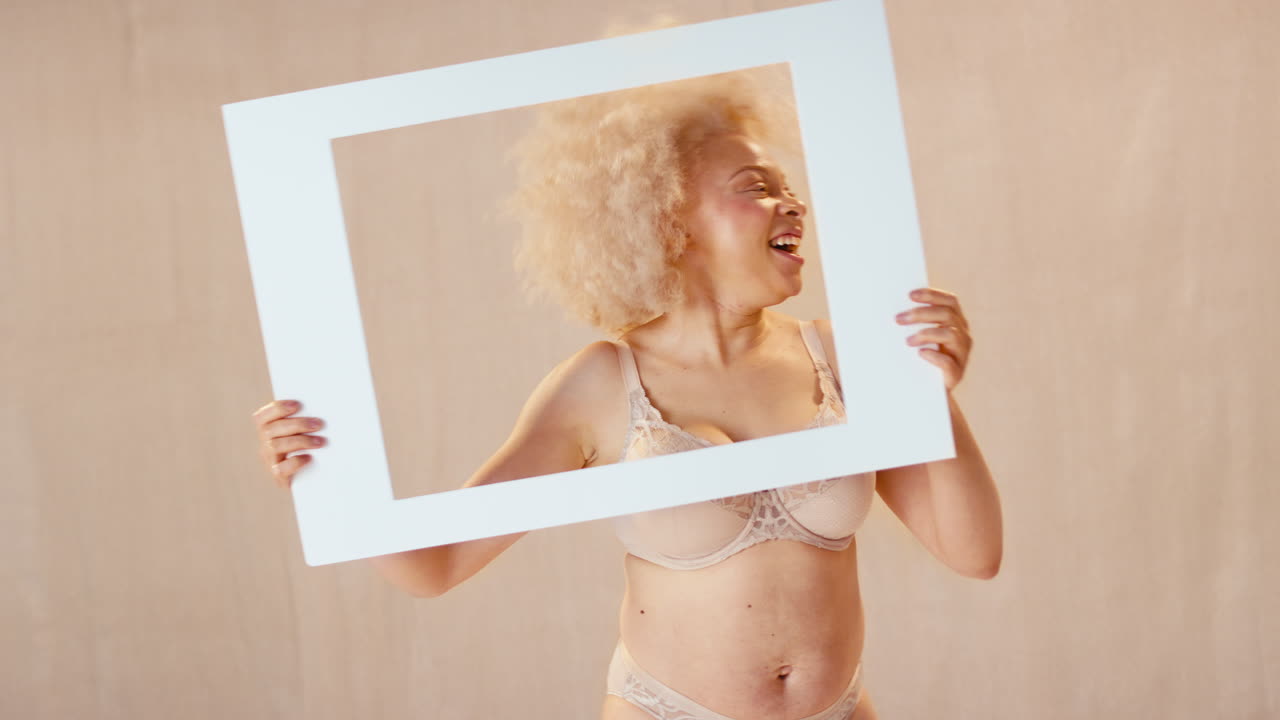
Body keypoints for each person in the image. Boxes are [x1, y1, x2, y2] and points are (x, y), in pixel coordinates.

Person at [251, 68, 1002, 720]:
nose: (793, 206)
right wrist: (325, 473)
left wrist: (929, 391)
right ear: (670, 221)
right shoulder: (603, 385)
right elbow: (434, 567)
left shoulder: (841, 354)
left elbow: (974, 553)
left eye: (790, 190)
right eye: (757, 189)